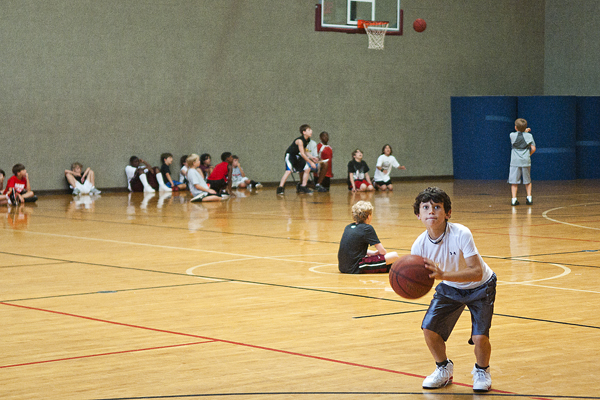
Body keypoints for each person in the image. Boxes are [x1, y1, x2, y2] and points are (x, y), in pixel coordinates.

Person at [411, 187, 496, 392]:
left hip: (481, 286)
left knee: (480, 337)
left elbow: (475, 272)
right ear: (418, 215)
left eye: (437, 207)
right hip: (450, 287)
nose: (431, 211)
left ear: (447, 213)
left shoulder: (461, 233)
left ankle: (482, 370)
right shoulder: (419, 246)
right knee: (429, 329)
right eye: (426, 207)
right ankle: (443, 369)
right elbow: (419, 278)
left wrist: (442, 275)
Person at [338, 201, 399, 274]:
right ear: (368, 216)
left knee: (390, 265)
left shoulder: (348, 227)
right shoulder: (367, 228)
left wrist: (373, 253)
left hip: (342, 267)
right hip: (356, 267)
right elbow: (383, 252)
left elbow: (352, 249)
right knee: (394, 256)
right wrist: (378, 254)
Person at [277, 124, 317, 195]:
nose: (311, 131)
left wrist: (311, 157)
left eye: (311, 130)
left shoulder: (307, 140)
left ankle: (303, 187)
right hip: (290, 156)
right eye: (309, 130)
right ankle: (280, 188)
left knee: (307, 169)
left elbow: (305, 150)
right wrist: (311, 162)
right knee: (288, 171)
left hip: (297, 156)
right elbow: (302, 154)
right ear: (304, 132)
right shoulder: (300, 141)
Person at [508, 118, 536, 205]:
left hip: (515, 161)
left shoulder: (512, 135)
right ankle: (529, 198)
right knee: (527, 180)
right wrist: (529, 154)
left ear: (516, 128)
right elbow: (533, 148)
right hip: (525, 160)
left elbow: (519, 135)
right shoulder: (529, 136)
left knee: (514, 181)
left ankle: (514, 199)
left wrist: (524, 131)